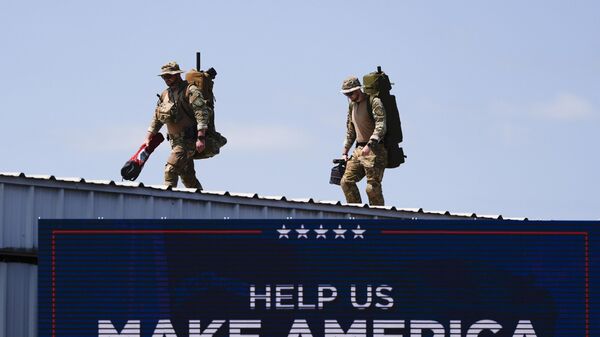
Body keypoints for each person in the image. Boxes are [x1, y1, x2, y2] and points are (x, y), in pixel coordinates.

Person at [144, 61, 213, 189]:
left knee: (170, 170)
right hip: (175, 143)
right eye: (164, 77)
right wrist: (149, 136)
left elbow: (201, 113)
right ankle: (201, 202)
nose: (166, 79)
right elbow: (157, 117)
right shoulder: (165, 94)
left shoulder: (190, 90)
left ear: (177, 75)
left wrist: (201, 138)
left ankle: (168, 201)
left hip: (188, 141)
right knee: (188, 178)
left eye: (169, 76)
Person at [339, 76, 387, 205]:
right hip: (359, 150)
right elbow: (351, 131)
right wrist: (345, 151)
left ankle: (379, 219)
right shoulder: (352, 106)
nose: (349, 96)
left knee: (372, 188)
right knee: (346, 182)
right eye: (346, 94)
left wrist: (370, 144)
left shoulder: (374, 101)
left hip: (375, 149)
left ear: (358, 89)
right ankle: (357, 213)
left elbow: (381, 125)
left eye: (351, 93)